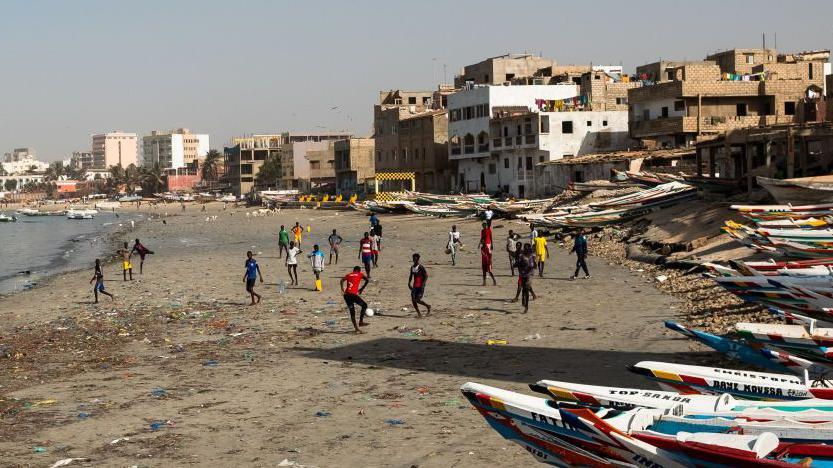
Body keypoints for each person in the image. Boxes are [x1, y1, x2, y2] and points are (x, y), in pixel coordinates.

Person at [340, 266, 369, 333]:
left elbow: (341, 280)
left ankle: (356, 328)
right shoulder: (360, 274)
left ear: (353, 270)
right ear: (359, 270)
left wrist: (342, 290)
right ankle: (361, 322)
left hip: (346, 295)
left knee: (352, 312)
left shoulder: (349, 275)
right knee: (364, 305)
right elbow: (367, 280)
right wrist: (362, 289)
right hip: (353, 295)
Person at [408, 253, 431, 318]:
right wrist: (409, 283)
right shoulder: (412, 267)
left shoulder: (421, 267)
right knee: (413, 300)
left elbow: (426, 276)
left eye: (415, 259)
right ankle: (419, 313)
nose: (414, 260)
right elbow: (410, 276)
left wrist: (423, 284)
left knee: (417, 299)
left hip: (420, 286)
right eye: (413, 258)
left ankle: (427, 306)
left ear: (418, 259)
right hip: (415, 286)